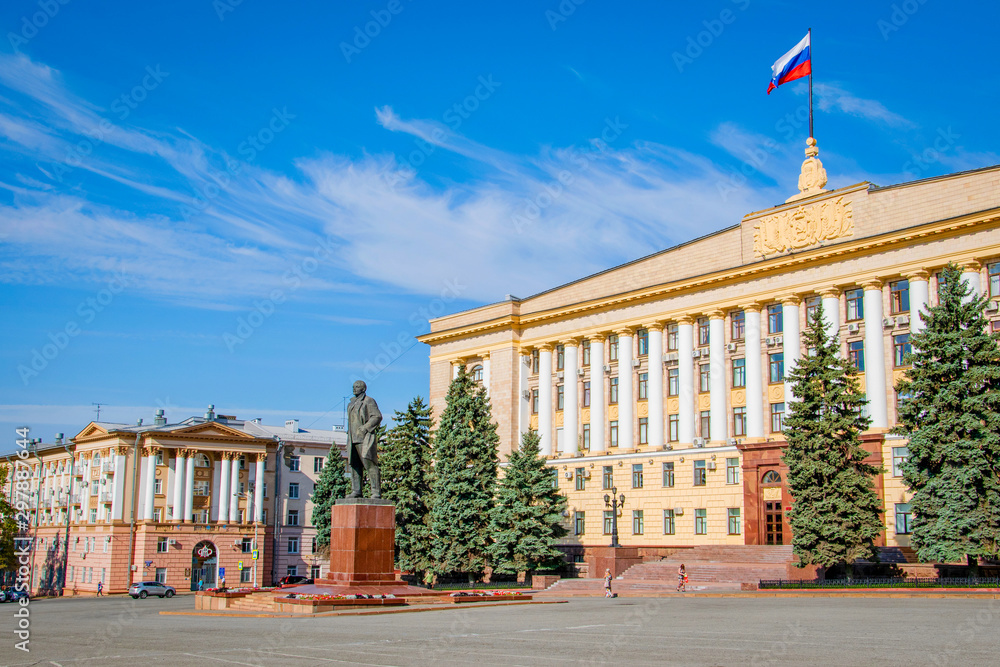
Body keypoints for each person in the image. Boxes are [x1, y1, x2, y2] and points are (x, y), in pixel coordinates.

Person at [347, 380, 383, 498]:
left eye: (357, 386)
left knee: (369, 463)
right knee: (354, 464)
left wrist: (365, 428)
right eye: (354, 386)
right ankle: (356, 490)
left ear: (363, 389)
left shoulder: (368, 401)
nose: (354, 388)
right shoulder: (351, 403)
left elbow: (377, 416)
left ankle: (375, 492)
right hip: (353, 438)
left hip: (364, 438)